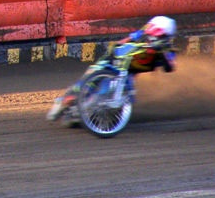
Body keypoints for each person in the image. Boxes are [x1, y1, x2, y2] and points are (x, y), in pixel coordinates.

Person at [47, 15, 177, 122]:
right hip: (113, 62)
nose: (151, 36)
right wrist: (123, 46)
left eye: (158, 35)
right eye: (151, 33)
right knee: (92, 76)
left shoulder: (167, 50)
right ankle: (66, 99)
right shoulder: (141, 35)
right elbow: (123, 42)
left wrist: (161, 51)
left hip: (128, 73)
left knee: (122, 99)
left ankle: (92, 111)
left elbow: (170, 67)